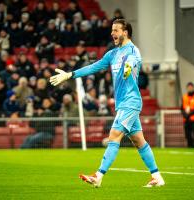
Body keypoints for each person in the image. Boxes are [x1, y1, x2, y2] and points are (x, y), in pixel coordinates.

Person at [50, 19, 165, 188]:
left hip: (130, 102)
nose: (112, 33)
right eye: (112, 30)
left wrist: (128, 67)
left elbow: (133, 62)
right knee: (139, 141)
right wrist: (70, 75)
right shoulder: (112, 54)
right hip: (123, 104)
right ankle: (157, 177)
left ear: (125, 32)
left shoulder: (133, 51)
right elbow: (93, 67)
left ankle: (98, 176)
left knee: (114, 136)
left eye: (116, 30)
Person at [181, 82, 194, 148]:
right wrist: (184, 114)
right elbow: (181, 108)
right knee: (188, 135)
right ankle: (190, 147)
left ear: (193, 88)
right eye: (188, 87)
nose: (190, 88)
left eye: (191, 87)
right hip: (186, 120)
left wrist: (189, 114)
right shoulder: (184, 97)